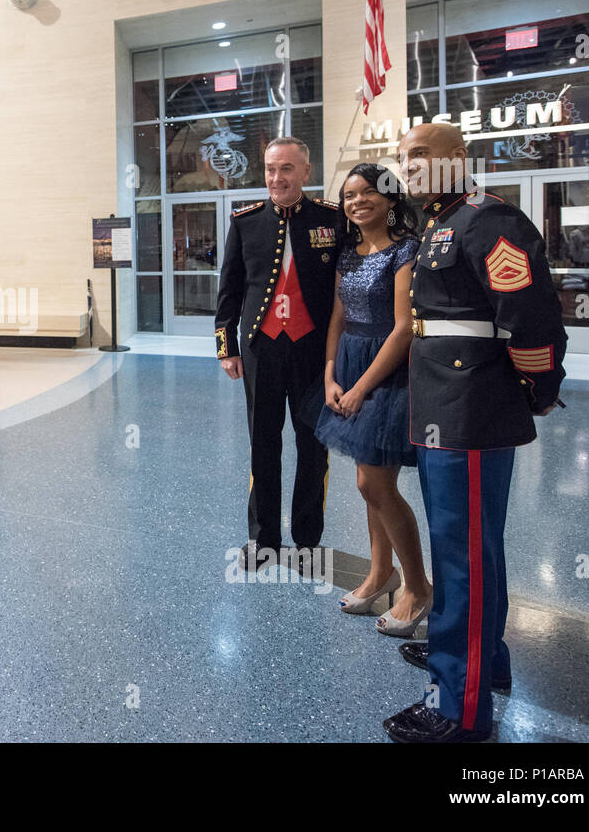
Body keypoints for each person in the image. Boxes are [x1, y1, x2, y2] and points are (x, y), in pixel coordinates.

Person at [383, 122, 567, 743]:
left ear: (457, 158)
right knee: (468, 548)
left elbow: (531, 319)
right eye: (401, 157)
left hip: (471, 408)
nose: (406, 165)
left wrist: (538, 390)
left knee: (462, 555)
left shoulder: (490, 219)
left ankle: (459, 708)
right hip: (445, 403)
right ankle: (478, 661)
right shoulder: (443, 220)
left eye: (419, 155)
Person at [314, 163, 432, 636]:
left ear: (389, 199)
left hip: (390, 369)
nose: (357, 202)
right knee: (369, 480)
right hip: (348, 362)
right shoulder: (348, 253)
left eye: (367, 194)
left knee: (373, 484)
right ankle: (380, 574)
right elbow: (337, 319)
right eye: (348, 196)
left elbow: (405, 327)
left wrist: (362, 386)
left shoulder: (407, 251)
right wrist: (329, 375)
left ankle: (418, 587)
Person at [215, 136, 342, 571]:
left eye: (286, 168)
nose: (276, 177)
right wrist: (226, 347)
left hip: (313, 353)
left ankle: (308, 542)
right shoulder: (246, 221)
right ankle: (262, 540)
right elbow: (229, 289)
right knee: (262, 445)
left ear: (306, 172)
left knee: (314, 448)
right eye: (270, 169)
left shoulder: (332, 219)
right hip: (261, 351)